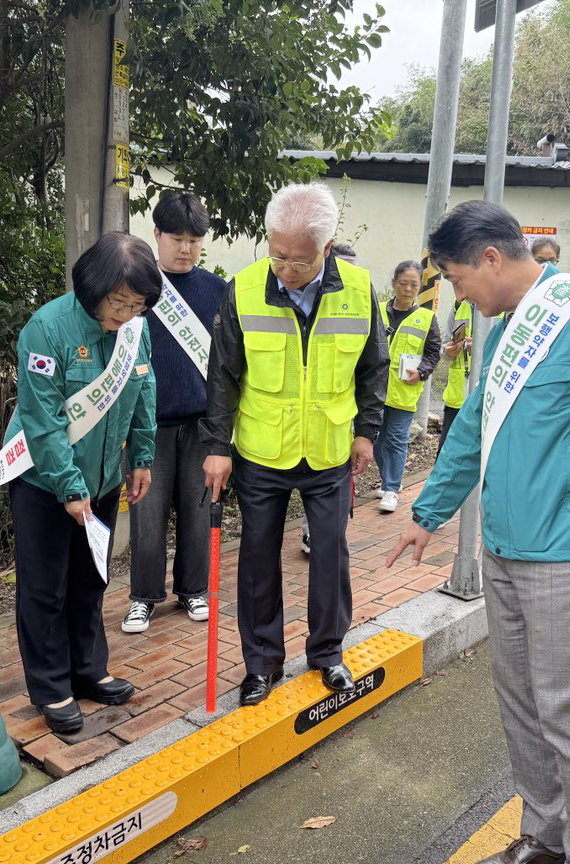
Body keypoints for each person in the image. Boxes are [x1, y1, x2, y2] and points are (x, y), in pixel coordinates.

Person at [387, 201, 570, 864]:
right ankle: (544, 838)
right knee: (521, 704)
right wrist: (427, 511)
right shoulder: (505, 332)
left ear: (492, 258)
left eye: (459, 279)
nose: (457, 293)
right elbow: (472, 431)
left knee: (567, 711)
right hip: (505, 546)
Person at [201, 183, 387, 705]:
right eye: (276, 253)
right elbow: (222, 376)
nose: (284, 268)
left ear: (326, 249)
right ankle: (261, 663)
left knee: (329, 554)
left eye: (298, 261)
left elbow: (375, 367)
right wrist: (217, 444)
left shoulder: (358, 288)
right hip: (261, 450)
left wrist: (367, 432)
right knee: (258, 558)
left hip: (327, 449)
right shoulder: (241, 289)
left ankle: (328, 653)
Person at [6, 232, 160, 734]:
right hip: (45, 483)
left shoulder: (136, 331)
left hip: (103, 479)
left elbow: (144, 388)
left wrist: (141, 456)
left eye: (137, 304)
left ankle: (89, 670)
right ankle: (51, 687)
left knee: (91, 576)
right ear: (92, 287)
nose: (126, 314)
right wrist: (70, 487)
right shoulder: (47, 330)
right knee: (45, 587)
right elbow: (42, 419)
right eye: (118, 302)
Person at [122, 192, 226, 633]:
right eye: (177, 238)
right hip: (148, 425)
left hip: (202, 423)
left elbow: (227, 363)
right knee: (146, 513)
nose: (185, 248)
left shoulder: (218, 291)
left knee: (199, 509)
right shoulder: (137, 289)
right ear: (157, 235)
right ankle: (143, 597)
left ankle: (194, 590)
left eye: (195, 240)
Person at [300, 241, 360, 554]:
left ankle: (317, 534)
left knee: (331, 543)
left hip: (334, 434)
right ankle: (309, 532)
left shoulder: (360, 299)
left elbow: (370, 368)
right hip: (281, 438)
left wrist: (365, 432)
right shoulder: (304, 296)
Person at [373, 260, 441, 512]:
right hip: (375, 390)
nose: (408, 289)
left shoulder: (426, 318)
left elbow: (433, 353)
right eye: (403, 283)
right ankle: (389, 481)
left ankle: (391, 488)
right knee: (376, 439)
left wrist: (421, 372)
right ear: (393, 283)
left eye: (414, 284)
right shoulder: (377, 310)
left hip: (404, 390)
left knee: (397, 438)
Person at [438, 286, 474, 455]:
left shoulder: (500, 307)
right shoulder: (459, 305)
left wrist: (480, 346)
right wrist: (448, 351)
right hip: (456, 398)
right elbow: (444, 348)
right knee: (445, 454)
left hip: (483, 399)